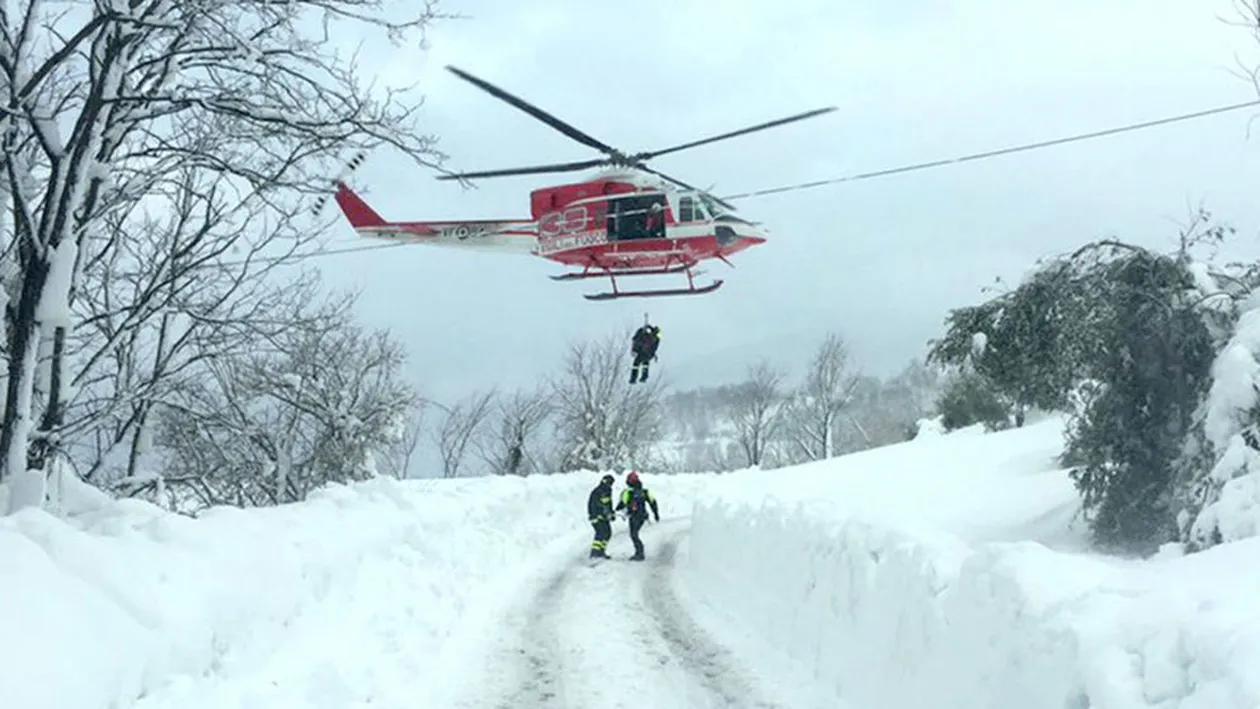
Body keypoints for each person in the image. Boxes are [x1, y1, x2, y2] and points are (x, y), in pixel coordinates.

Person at [614, 470, 660, 560]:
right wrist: (656, 514)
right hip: (642, 516)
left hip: (634, 516)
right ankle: (639, 552)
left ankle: (640, 553)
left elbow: (622, 503)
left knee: (633, 534)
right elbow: (653, 502)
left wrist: (615, 511)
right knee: (634, 534)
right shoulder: (644, 491)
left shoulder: (628, 492)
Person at [587, 474, 615, 558]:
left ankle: (601, 551)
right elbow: (592, 505)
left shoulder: (608, 491)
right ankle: (594, 552)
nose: (611, 485)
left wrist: (611, 513)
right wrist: (594, 516)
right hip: (596, 517)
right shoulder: (597, 491)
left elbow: (608, 504)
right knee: (600, 533)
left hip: (604, 517)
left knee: (608, 533)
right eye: (610, 483)